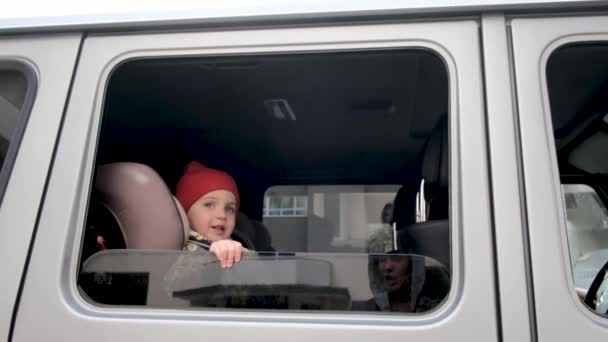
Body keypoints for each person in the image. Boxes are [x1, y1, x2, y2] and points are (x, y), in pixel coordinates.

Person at [176, 161, 247, 268]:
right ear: (186, 213)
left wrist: (245, 258)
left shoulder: (240, 246)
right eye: (209, 205)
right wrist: (207, 253)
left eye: (229, 209)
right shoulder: (175, 246)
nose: (222, 215)